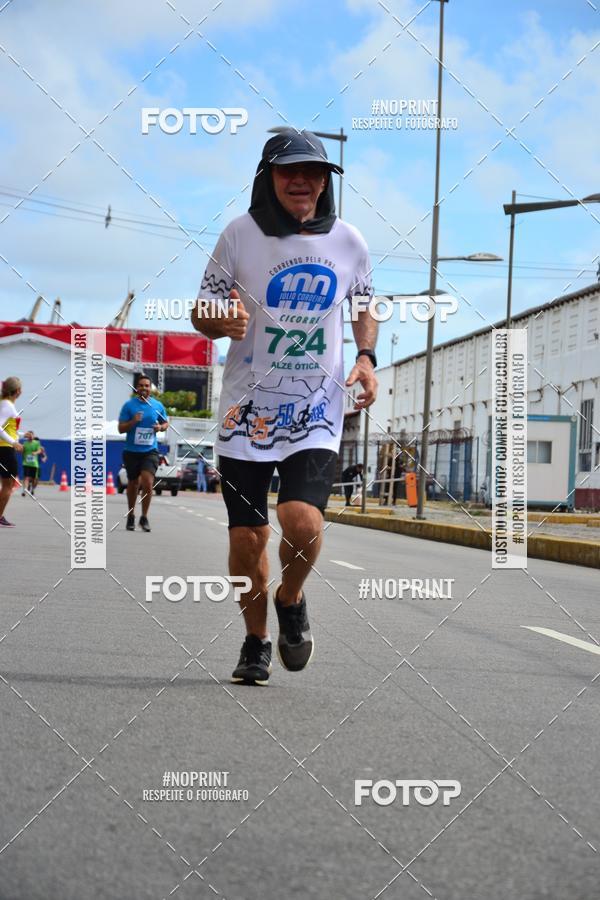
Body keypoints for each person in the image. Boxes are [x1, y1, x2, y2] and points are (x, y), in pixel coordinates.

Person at [192, 128, 378, 685]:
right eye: (290, 171)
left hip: (316, 411)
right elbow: (203, 308)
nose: (303, 181)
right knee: (248, 539)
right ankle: (256, 641)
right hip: (245, 414)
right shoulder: (238, 236)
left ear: (325, 182)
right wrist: (217, 320)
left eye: (315, 173)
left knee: (301, 521)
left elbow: (366, 304)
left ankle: (291, 597)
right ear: (268, 178)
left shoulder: (349, 242)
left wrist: (366, 357)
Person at [118, 375, 169, 532]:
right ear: (136, 388)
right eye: (141, 386)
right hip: (131, 451)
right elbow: (120, 429)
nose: (144, 388)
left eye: (147, 386)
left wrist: (160, 428)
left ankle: (144, 517)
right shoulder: (129, 406)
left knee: (147, 483)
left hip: (150, 451)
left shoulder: (157, 405)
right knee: (133, 484)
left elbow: (166, 423)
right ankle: (131, 515)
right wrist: (133, 421)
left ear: (150, 388)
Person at [0, 376, 24, 527]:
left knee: (7, 485)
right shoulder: (7, 405)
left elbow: (10, 429)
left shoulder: (5, 404)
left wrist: (23, 435)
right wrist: (14, 442)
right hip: (5, 450)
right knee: (8, 486)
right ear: (17, 391)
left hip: (5, 448)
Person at [21, 431, 43, 496]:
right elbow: (22, 451)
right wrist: (21, 450)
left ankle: (32, 489)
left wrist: (35, 453)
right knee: (26, 477)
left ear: (33, 436)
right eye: (29, 435)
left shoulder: (37, 443)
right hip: (26, 463)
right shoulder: (25, 443)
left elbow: (39, 450)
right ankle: (25, 491)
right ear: (27, 436)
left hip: (34, 464)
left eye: (31, 435)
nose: (30, 436)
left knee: (34, 479)